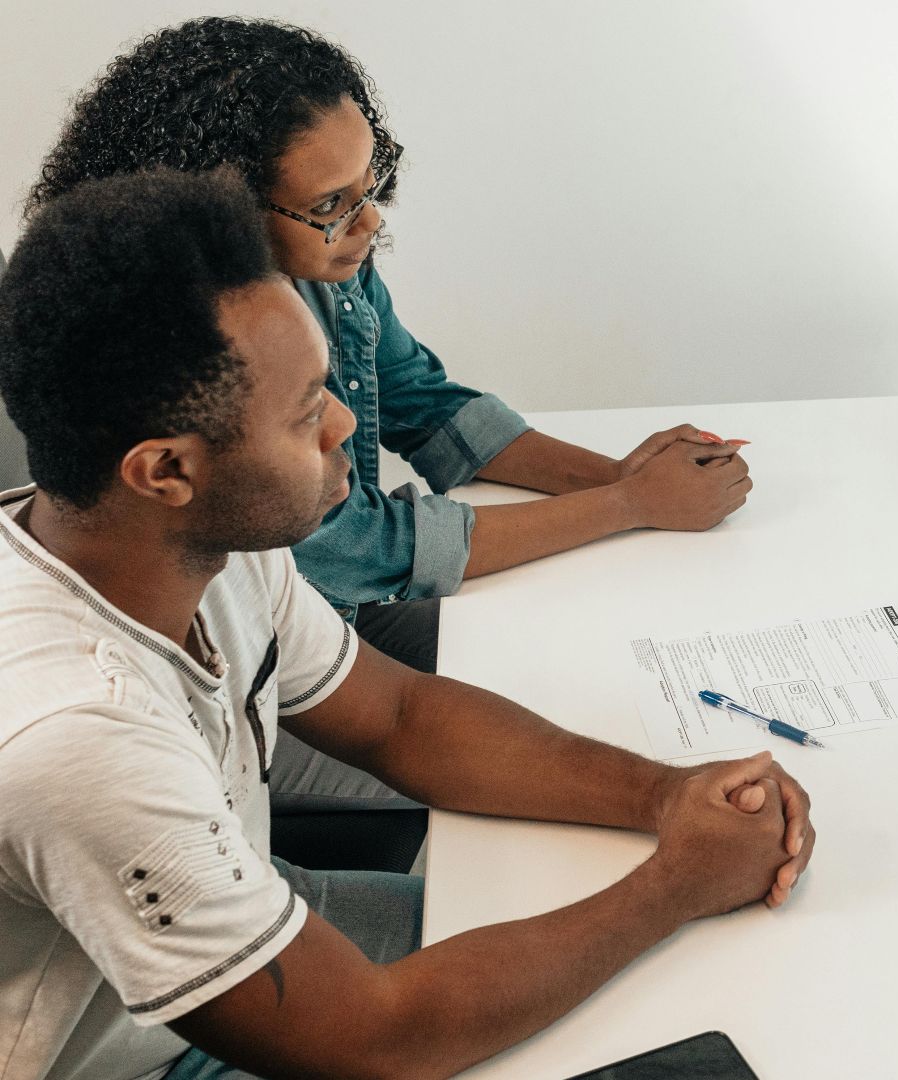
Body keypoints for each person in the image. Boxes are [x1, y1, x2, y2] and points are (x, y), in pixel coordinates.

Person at [0, 169, 815, 1080]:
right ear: (165, 471)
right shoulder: (75, 734)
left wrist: (666, 798)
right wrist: (677, 884)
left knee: (664, 988)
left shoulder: (210, 540)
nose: (345, 422)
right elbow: (375, 1041)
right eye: (308, 412)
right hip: (131, 1061)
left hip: (230, 940)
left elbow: (400, 719)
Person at [28, 15, 753, 816]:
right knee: (506, 785)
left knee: (578, 700)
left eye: (372, 182)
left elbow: (422, 401)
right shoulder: (173, 354)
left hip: (327, 633)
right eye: (334, 203)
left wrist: (624, 476)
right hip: (262, 680)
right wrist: (626, 506)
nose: (372, 220)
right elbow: (356, 545)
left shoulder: (329, 272)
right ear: (222, 206)